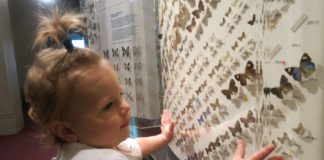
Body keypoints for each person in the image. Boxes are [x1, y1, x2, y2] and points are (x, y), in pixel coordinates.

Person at [25, 9, 280, 160]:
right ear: (67, 130)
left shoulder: (91, 140)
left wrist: (164, 137)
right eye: (108, 106)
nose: (125, 107)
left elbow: (133, 148)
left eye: (120, 96)